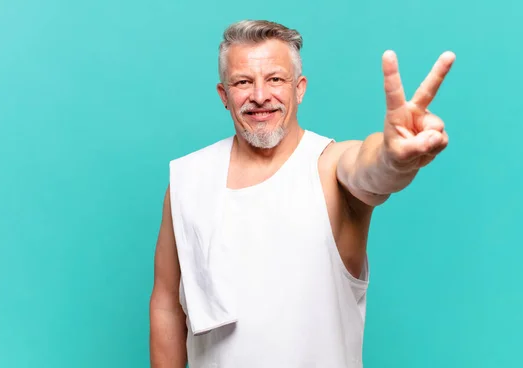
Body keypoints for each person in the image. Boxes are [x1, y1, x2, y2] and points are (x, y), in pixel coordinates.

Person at [149, 19, 455, 368]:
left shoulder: (328, 166)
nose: (260, 96)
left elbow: (370, 170)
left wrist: (394, 157)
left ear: (300, 88)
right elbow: (166, 305)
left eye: (275, 79)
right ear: (224, 95)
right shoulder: (188, 180)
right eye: (243, 82)